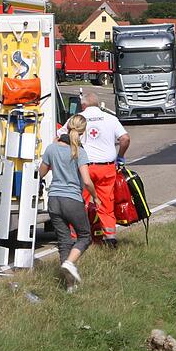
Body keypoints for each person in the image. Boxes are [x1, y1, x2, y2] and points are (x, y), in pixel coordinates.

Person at [39, 114, 100, 291]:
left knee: (64, 241)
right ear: (83, 131)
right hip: (72, 200)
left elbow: (41, 173)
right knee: (85, 236)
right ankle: (70, 263)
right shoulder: (80, 152)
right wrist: (95, 197)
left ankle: (70, 286)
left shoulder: (51, 148)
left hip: (54, 201)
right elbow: (87, 181)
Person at [74, 91, 130, 246]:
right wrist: (121, 157)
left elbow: (61, 136)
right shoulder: (111, 119)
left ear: (83, 105)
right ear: (98, 104)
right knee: (106, 202)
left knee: (80, 202)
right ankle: (110, 237)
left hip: (85, 167)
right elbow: (125, 138)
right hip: (107, 168)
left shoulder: (77, 119)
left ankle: (76, 237)